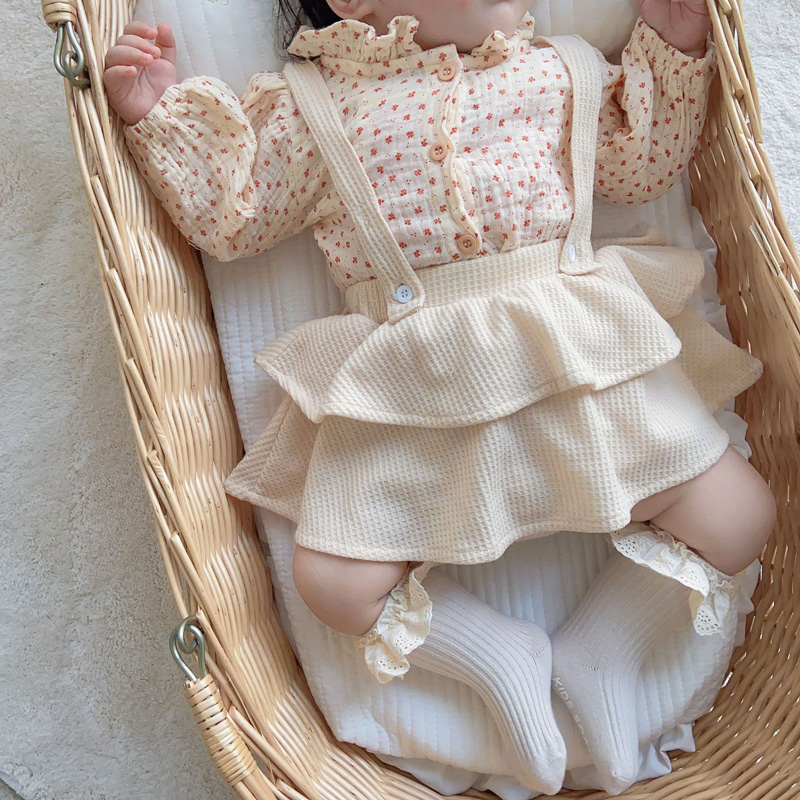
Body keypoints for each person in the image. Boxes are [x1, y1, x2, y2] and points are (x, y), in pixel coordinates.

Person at [103, 0, 777, 793]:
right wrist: (159, 116)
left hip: (571, 355)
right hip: (417, 382)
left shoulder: (557, 69)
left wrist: (671, 44)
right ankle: (499, 654)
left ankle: (604, 647)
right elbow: (234, 215)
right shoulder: (313, 106)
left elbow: (640, 166)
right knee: (334, 583)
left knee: (740, 515)